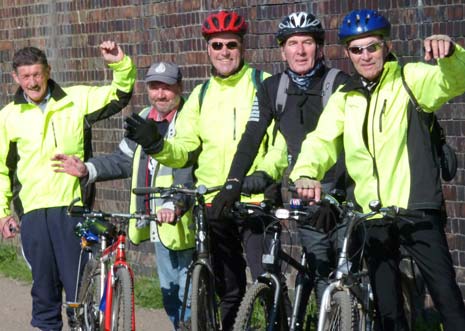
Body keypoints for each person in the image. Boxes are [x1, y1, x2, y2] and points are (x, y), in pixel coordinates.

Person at [290, 9, 465, 331]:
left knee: (447, 300)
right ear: (347, 53)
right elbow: (321, 140)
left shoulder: (411, 79)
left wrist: (451, 54)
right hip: (373, 216)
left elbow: (454, 81)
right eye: (357, 49)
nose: (365, 56)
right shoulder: (346, 97)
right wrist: (306, 172)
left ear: (386, 46)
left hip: (417, 210)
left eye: (372, 47)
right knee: (387, 311)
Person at [124, 10, 288, 330]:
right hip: (214, 202)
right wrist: (156, 145)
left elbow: (281, 143)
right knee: (228, 290)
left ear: (243, 47)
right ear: (208, 51)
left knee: (268, 283)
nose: (224, 51)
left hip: (255, 200)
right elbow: (184, 151)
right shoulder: (200, 95)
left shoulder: (265, 84)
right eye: (217, 46)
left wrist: (264, 174)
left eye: (231, 44)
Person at [211, 11, 349, 325]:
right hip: (304, 188)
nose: (300, 51)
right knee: (317, 265)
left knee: (345, 271)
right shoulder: (273, 88)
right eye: (292, 43)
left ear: (319, 47)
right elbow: (251, 137)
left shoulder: (339, 83)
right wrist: (232, 184)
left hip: (345, 188)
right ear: (282, 50)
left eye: (307, 43)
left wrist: (338, 196)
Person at [0, 41, 136, 331]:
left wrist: (119, 64)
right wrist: (3, 212)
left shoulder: (76, 99)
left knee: (78, 294)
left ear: (48, 71)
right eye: (26, 76)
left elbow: (119, 94)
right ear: (15, 78)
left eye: (37, 74)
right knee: (44, 292)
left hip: (71, 210)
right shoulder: (8, 117)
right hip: (34, 213)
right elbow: (1, 169)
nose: (33, 82)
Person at [52, 61, 194, 331]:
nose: (160, 94)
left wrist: (175, 203)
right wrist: (87, 168)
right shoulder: (144, 118)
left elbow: (189, 165)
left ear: (180, 87)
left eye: (167, 87)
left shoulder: (190, 118)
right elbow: (122, 160)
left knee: (190, 296)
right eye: (154, 87)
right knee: (172, 295)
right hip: (158, 223)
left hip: (185, 218)